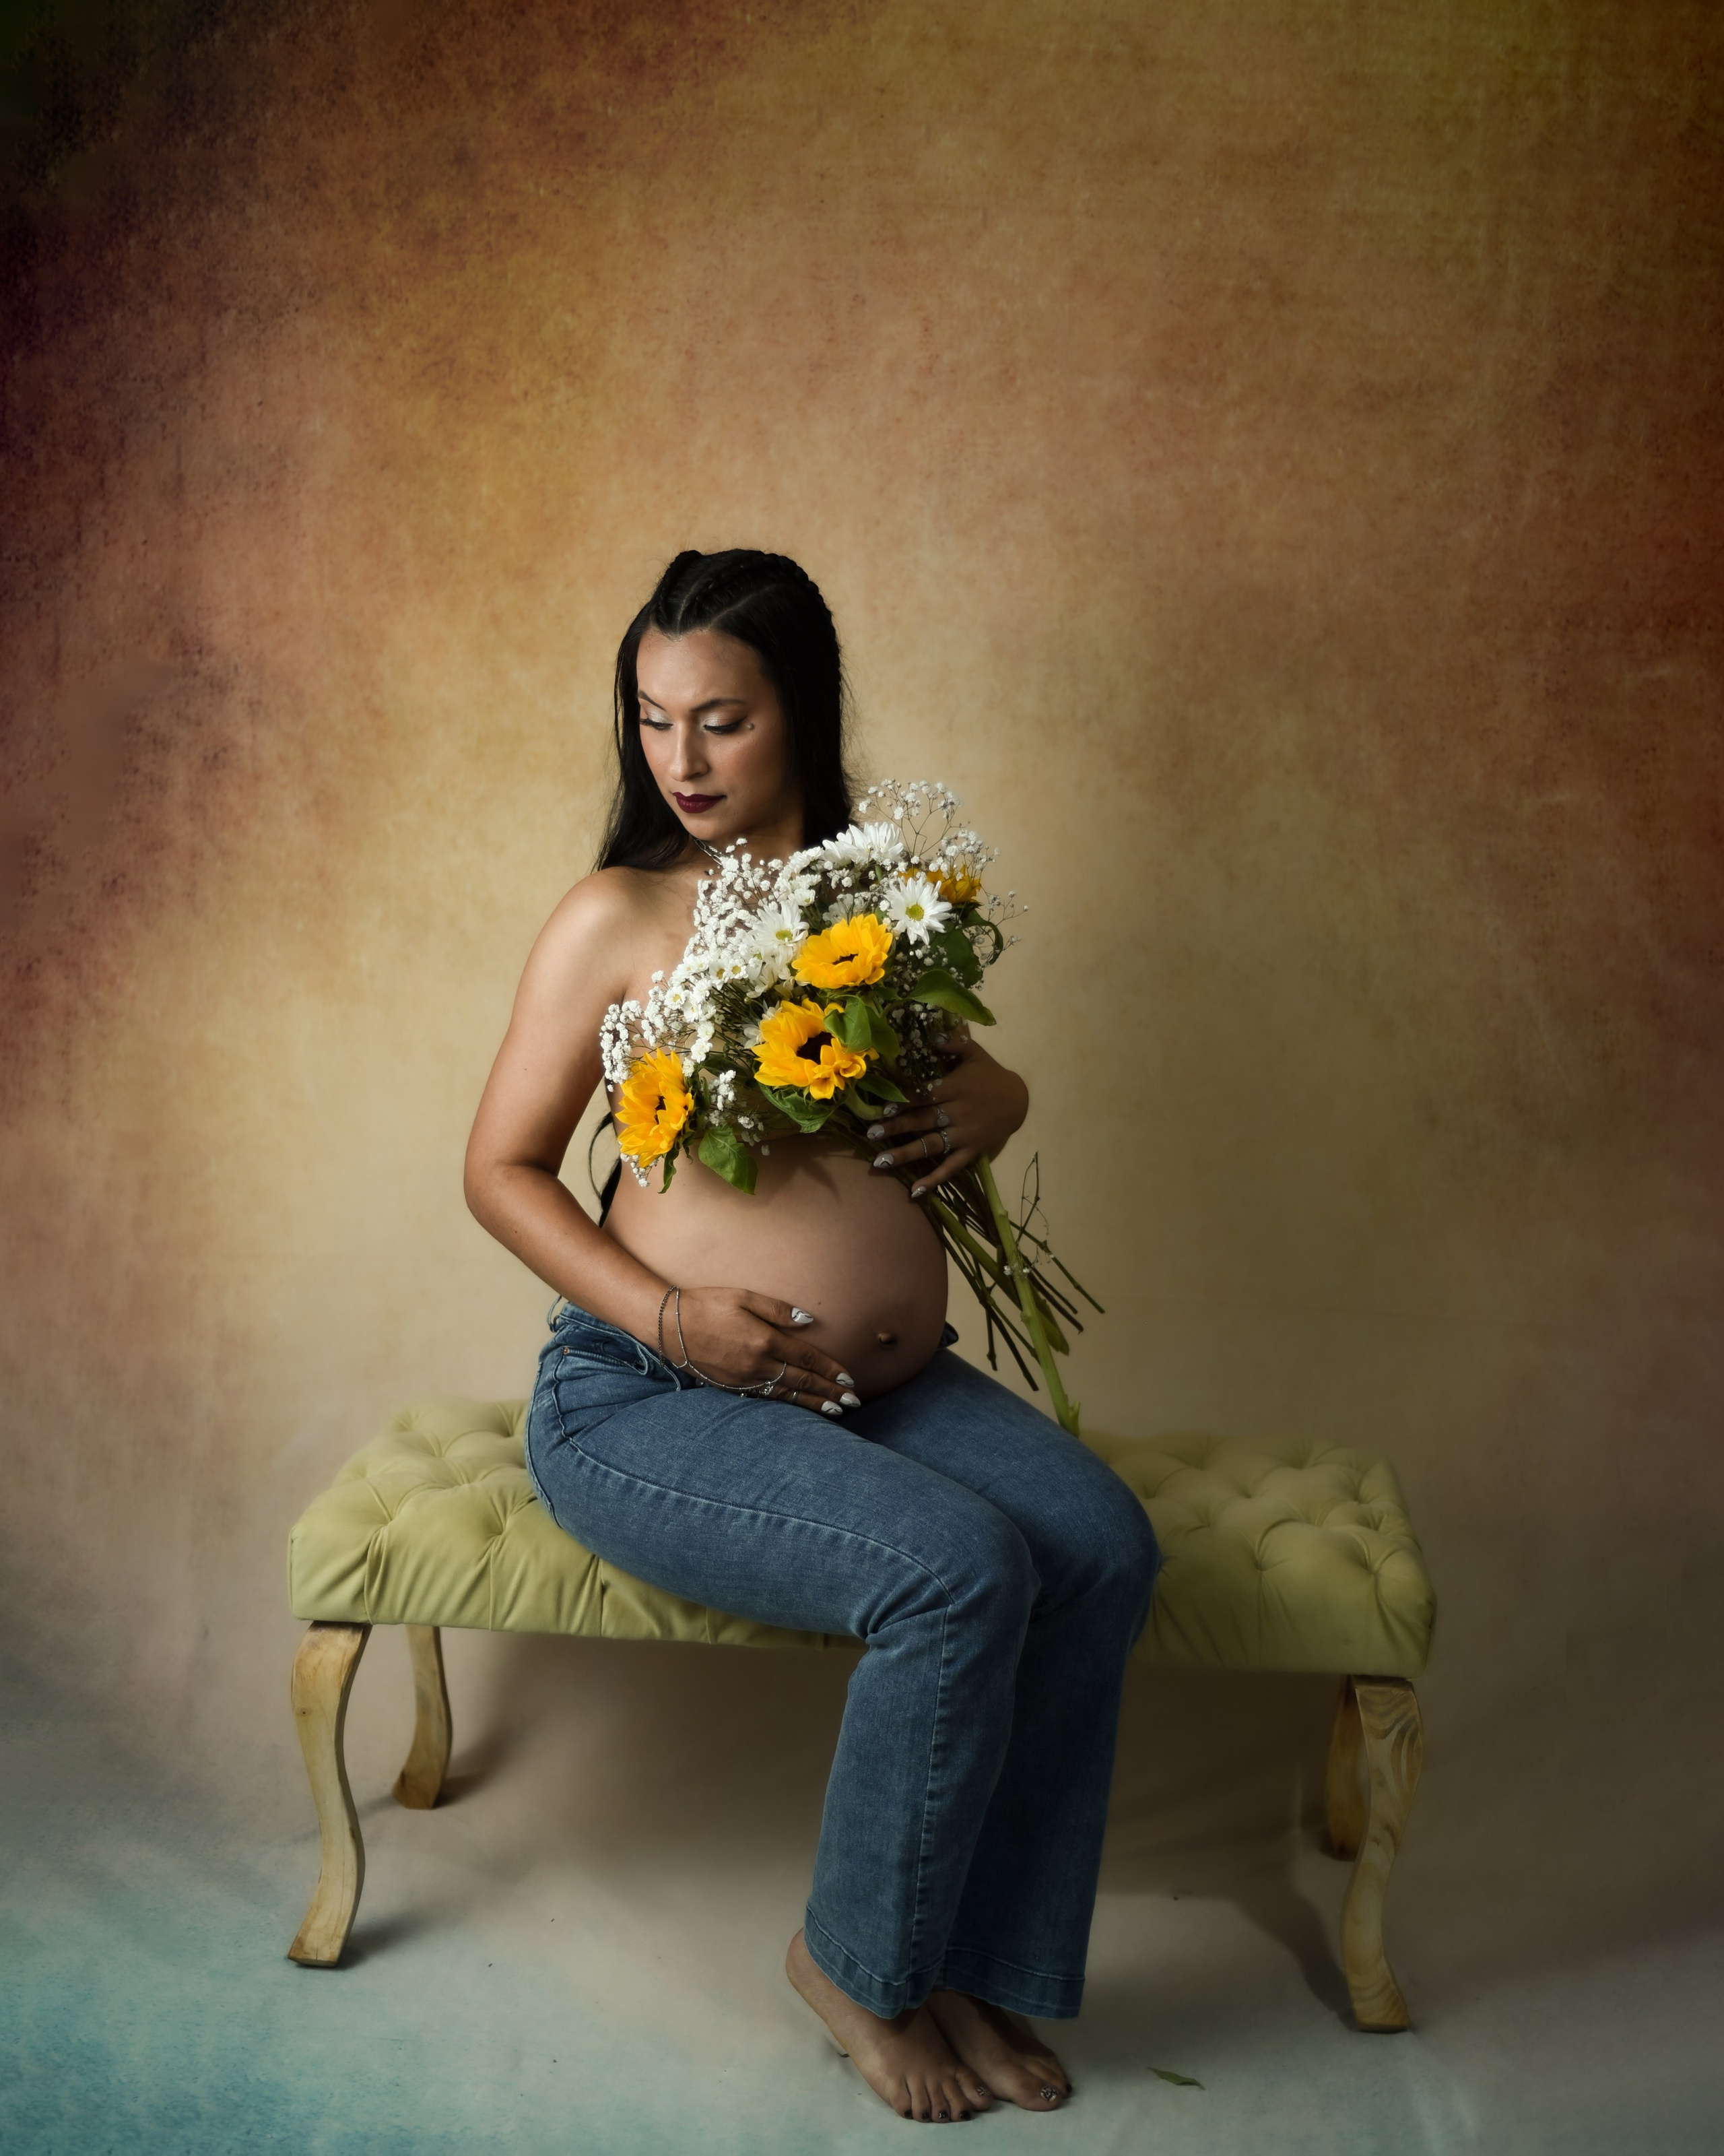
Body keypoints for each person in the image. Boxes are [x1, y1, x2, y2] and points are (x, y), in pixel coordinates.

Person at [464, 549, 1160, 2124]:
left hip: (860, 1392)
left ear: (799, 713)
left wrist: (1008, 1092)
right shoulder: (617, 914)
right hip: (647, 1397)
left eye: (719, 718)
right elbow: (493, 1171)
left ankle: (964, 1954)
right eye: (652, 721)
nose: (682, 761)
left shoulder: (860, 901)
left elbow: (952, 1081)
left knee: (1101, 1543)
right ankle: (855, 1960)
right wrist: (665, 1314)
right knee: (957, 1567)